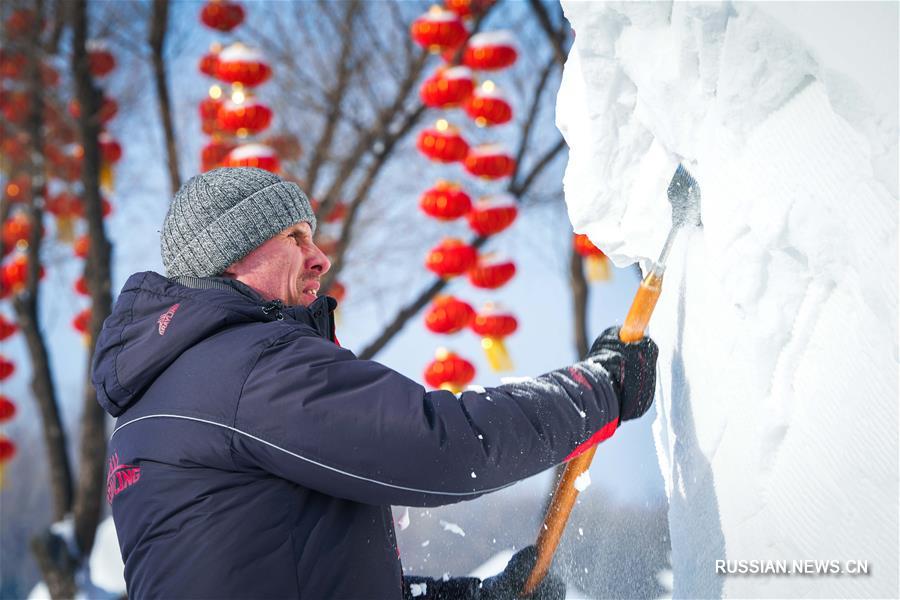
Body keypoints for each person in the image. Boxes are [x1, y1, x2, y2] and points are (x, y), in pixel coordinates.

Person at [94, 167, 658, 599]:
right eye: (294, 237)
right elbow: (441, 446)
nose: (319, 258)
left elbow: (278, 574)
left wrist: (468, 598)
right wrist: (597, 388)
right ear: (232, 254)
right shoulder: (248, 366)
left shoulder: (162, 398)